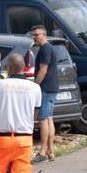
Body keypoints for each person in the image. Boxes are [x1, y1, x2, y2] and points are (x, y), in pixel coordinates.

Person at [30, 25, 59, 162]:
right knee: (49, 119)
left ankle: (42, 152)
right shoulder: (48, 48)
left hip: (46, 88)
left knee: (43, 119)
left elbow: (43, 70)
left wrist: (35, 86)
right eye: (33, 35)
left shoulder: (45, 48)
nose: (34, 37)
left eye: (36, 34)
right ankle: (50, 151)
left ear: (44, 34)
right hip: (51, 87)